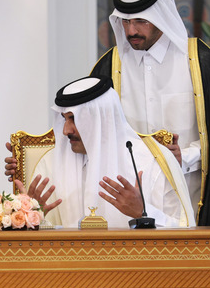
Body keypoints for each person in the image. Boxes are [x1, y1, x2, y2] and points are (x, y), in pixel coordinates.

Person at [5, 0, 210, 228]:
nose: (131, 31)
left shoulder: (200, 63)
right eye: (125, 22)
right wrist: (27, 161)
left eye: (140, 21)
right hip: (123, 202)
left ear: (160, 16)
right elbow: (83, 128)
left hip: (192, 196)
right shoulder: (109, 66)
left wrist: (184, 158)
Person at [18, 75, 194, 229]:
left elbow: (185, 231)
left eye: (74, 119)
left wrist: (143, 213)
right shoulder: (50, 164)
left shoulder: (153, 160)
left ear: (101, 117)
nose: (66, 131)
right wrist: (32, 216)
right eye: (64, 119)